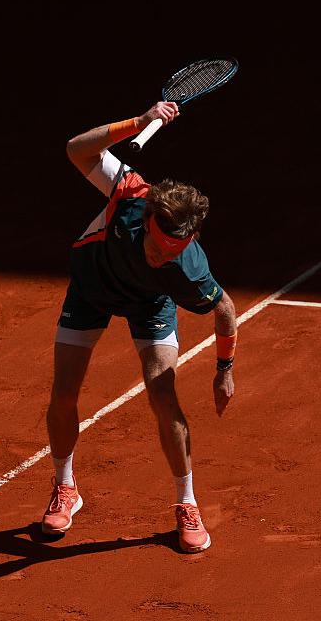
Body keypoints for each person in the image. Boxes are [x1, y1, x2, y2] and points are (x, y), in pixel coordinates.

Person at [41, 101, 238, 553]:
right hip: (92, 288)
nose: (160, 258)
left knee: (162, 393)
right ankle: (65, 486)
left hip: (150, 304)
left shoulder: (187, 268)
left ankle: (187, 503)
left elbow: (225, 309)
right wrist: (140, 122)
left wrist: (224, 369)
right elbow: (76, 150)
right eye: (158, 248)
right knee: (64, 392)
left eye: (172, 254)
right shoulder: (131, 192)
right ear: (149, 218)